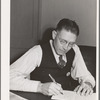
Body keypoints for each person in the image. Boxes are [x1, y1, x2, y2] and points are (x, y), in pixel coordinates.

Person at [10, 18, 95, 96]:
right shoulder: (37, 52)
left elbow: (85, 75)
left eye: (71, 43)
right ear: (54, 35)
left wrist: (88, 84)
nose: (66, 47)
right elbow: (6, 78)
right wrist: (40, 87)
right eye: (62, 41)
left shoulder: (74, 50)